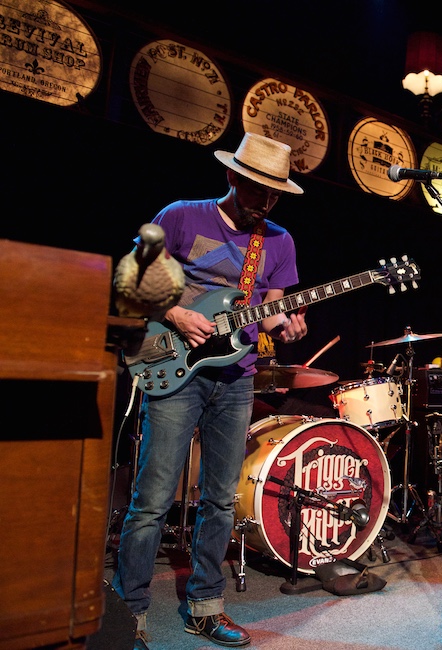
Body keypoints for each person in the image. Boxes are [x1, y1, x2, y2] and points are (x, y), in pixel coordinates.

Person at [113, 133, 309, 647]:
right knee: (153, 499)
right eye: (256, 190)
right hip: (174, 370)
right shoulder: (182, 216)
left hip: (235, 377)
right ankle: (127, 612)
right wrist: (175, 312)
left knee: (221, 500)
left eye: (274, 195)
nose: (264, 203)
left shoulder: (280, 242)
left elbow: (274, 306)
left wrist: (285, 325)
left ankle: (205, 605)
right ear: (232, 176)